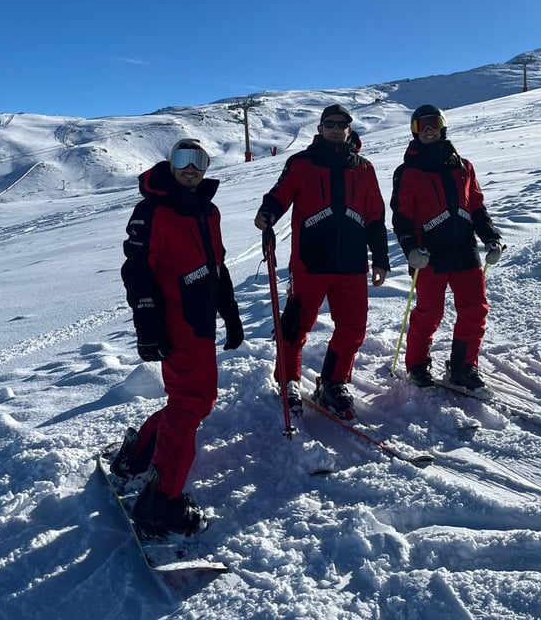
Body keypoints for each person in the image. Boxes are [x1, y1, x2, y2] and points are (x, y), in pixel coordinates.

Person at [114, 137, 244, 537]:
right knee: (191, 404)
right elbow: (136, 271)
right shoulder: (152, 210)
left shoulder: (209, 210)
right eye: (183, 159)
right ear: (170, 163)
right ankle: (161, 503)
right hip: (174, 323)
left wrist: (230, 312)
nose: (191, 167)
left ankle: (137, 456)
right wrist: (148, 326)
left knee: (193, 401)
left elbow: (216, 265)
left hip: (200, 320)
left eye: (198, 160)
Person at [254, 104, 389, 419]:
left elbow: (375, 216)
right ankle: (287, 380)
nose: (335, 129)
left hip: (352, 265)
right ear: (319, 128)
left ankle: (333, 381)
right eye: (329, 124)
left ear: (348, 129)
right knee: (295, 326)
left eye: (341, 124)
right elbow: (280, 194)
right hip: (310, 263)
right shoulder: (301, 163)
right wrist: (268, 213)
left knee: (353, 328)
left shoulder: (364, 168)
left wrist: (380, 258)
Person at [390, 105, 503, 392]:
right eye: (421, 126)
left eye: (433, 124)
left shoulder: (463, 166)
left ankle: (464, 365)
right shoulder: (408, 172)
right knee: (430, 312)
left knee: (475, 309)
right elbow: (401, 216)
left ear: (443, 126)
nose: (428, 130)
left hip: (465, 250)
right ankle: (417, 364)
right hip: (429, 255)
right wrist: (410, 249)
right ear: (414, 131)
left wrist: (490, 236)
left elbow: (476, 206)